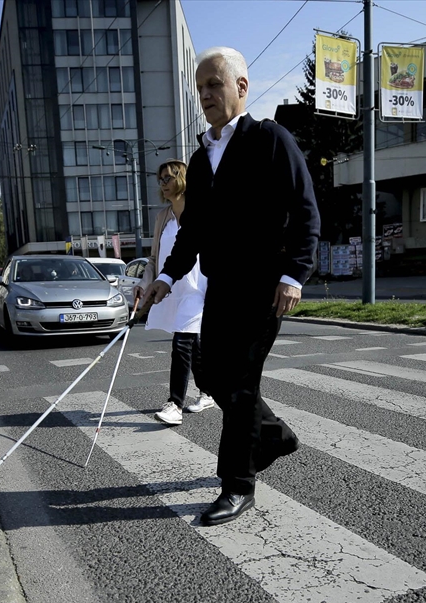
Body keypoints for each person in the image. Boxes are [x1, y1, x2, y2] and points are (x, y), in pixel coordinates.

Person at [145, 46, 320, 527]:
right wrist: (165, 278)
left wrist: (294, 274)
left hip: (264, 288)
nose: (205, 95)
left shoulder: (270, 139)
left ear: (241, 87)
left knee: (240, 385)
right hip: (219, 287)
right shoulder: (200, 160)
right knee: (213, 377)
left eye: (214, 84)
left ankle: (238, 484)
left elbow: (305, 210)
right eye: (200, 87)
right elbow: (193, 232)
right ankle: (273, 435)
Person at [134, 159, 214, 426]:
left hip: (197, 287)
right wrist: (144, 283)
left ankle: (175, 405)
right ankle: (207, 392)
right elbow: (154, 258)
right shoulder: (162, 217)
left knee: (182, 341)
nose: (163, 184)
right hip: (172, 290)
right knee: (193, 343)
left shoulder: (201, 209)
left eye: (168, 178)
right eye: (160, 179)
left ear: (182, 178)